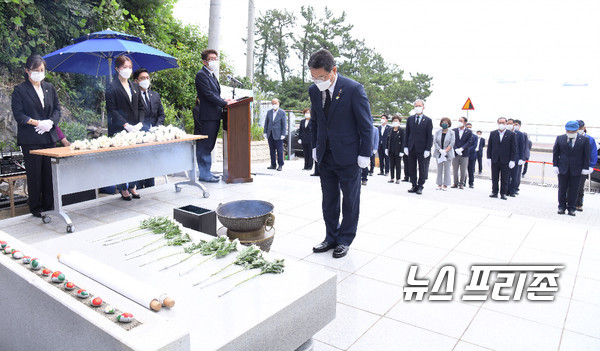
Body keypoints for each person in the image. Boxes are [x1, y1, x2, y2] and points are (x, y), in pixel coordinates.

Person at [307, 48, 372, 259]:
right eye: (314, 76)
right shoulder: (314, 90)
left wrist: (364, 154)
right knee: (329, 199)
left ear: (333, 70)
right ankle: (330, 236)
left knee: (350, 200)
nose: (318, 80)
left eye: (322, 77)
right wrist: (316, 147)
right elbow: (316, 121)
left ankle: (345, 239)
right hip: (326, 155)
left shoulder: (353, 89)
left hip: (349, 156)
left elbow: (366, 125)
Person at [11, 54, 61, 217]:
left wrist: (50, 123)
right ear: (27, 71)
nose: (39, 73)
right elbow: (19, 115)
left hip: (48, 136)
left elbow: (57, 110)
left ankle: (50, 204)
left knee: (49, 173)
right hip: (31, 139)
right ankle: (36, 206)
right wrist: (37, 123)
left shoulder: (49, 88)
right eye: (36, 70)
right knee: (35, 174)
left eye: (42, 70)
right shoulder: (20, 90)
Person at [105, 55, 144, 200]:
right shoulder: (111, 86)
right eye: (124, 67)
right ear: (117, 69)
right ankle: (122, 188)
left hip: (135, 129)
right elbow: (112, 110)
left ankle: (133, 186)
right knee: (121, 160)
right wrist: (125, 124)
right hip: (119, 129)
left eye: (129, 67)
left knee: (135, 159)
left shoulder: (134, 86)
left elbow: (141, 107)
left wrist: (140, 123)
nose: (127, 70)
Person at [194, 49, 234, 183]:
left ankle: (207, 172)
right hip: (207, 116)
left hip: (215, 115)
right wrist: (224, 103)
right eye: (211, 59)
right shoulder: (201, 75)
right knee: (205, 146)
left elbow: (215, 95)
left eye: (216, 58)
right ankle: (204, 174)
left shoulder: (211, 75)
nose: (214, 61)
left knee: (209, 146)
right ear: (204, 61)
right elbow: (209, 95)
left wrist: (225, 100)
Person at [134, 67, 166, 188]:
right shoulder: (134, 96)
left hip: (154, 135)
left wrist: (157, 127)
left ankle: (150, 187)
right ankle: (138, 186)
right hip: (140, 135)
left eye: (147, 77)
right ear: (136, 81)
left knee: (151, 163)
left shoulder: (155, 95)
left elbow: (161, 114)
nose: (146, 80)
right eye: (142, 78)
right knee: (140, 163)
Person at [553, 120, 591, 216]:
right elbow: (556, 153)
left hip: (577, 169)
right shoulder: (560, 138)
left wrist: (585, 167)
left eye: (572, 131)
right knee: (562, 188)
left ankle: (572, 208)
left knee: (574, 189)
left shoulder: (584, 140)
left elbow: (586, 155)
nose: (570, 133)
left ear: (577, 129)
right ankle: (561, 206)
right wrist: (555, 165)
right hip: (563, 168)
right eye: (568, 131)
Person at [404, 99, 433, 195]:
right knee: (411, 167)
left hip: (422, 148)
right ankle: (413, 184)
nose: (418, 107)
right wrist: (405, 147)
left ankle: (420, 186)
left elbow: (429, 136)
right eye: (416, 106)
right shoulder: (410, 119)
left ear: (423, 107)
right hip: (411, 147)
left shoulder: (428, 120)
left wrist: (428, 149)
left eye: (419, 106)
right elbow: (407, 134)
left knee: (422, 168)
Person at [487, 117, 516, 200]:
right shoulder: (493, 133)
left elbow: (513, 148)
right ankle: (494, 192)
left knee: (505, 178)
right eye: (500, 122)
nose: (501, 124)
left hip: (505, 160)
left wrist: (512, 160)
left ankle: (503, 193)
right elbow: (490, 147)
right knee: (494, 177)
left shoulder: (511, 134)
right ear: (497, 123)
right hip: (495, 159)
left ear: (506, 123)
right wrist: (488, 158)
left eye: (503, 122)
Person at [575, 120, 597, 212]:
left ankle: (579, 204)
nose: (578, 130)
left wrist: (591, 166)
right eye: (577, 128)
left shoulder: (590, 139)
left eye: (580, 128)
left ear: (584, 128)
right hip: (572, 165)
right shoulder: (572, 137)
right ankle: (569, 201)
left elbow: (593, 153)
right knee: (570, 185)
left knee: (580, 186)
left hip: (583, 166)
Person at [263, 98, 287, 171]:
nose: (274, 105)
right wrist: (265, 132)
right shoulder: (269, 112)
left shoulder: (282, 112)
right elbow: (266, 123)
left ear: (278, 103)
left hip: (278, 135)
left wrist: (283, 134)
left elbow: (284, 124)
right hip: (270, 134)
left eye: (275, 103)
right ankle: (273, 164)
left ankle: (280, 165)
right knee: (272, 150)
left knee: (279, 150)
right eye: (273, 103)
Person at [433, 117, 455, 191]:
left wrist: (445, 151)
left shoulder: (452, 132)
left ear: (449, 124)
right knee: (439, 169)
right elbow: (435, 141)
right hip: (439, 153)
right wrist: (440, 150)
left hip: (447, 153)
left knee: (447, 169)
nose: (444, 124)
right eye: (443, 122)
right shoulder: (437, 132)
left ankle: (445, 184)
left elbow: (452, 143)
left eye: (446, 123)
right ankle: (439, 184)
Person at [451, 116, 472, 189]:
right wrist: (456, 148)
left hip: (464, 153)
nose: (459, 122)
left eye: (461, 121)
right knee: (455, 169)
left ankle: (461, 183)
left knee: (463, 170)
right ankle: (455, 183)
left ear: (465, 123)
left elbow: (469, 142)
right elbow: (452, 141)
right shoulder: (454, 131)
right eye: (459, 120)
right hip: (455, 152)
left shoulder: (469, 131)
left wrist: (462, 148)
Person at [507, 119, 526, 196]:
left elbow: (522, 147)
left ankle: (512, 190)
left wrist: (522, 158)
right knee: (506, 175)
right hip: (506, 157)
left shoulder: (519, 134)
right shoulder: (506, 132)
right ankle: (506, 189)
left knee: (514, 175)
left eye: (512, 124)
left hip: (516, 158)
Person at [386, 115, 405, 184]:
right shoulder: (390, 130)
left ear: (399, 122)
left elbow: (403, 141)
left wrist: (402, 151)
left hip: (398, 150)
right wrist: (386, 148)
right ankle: (392, 178)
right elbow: (387, 140)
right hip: (391, 150)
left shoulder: (402, 131)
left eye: (396, 121)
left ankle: (398, 178)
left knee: (398, 165)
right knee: (391, 164)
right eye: (394, 121)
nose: (395, 122)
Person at [466, 122, 478, 188]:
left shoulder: (475, 136)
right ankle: (463, 181)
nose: (469, 128)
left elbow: (474, 145)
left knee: (471, 170)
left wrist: (467, 150)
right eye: (468, 127)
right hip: (464, 155)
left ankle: (471, 183)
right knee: (464, 169)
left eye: (470, 127)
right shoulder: (464, 136)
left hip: (472, 155)